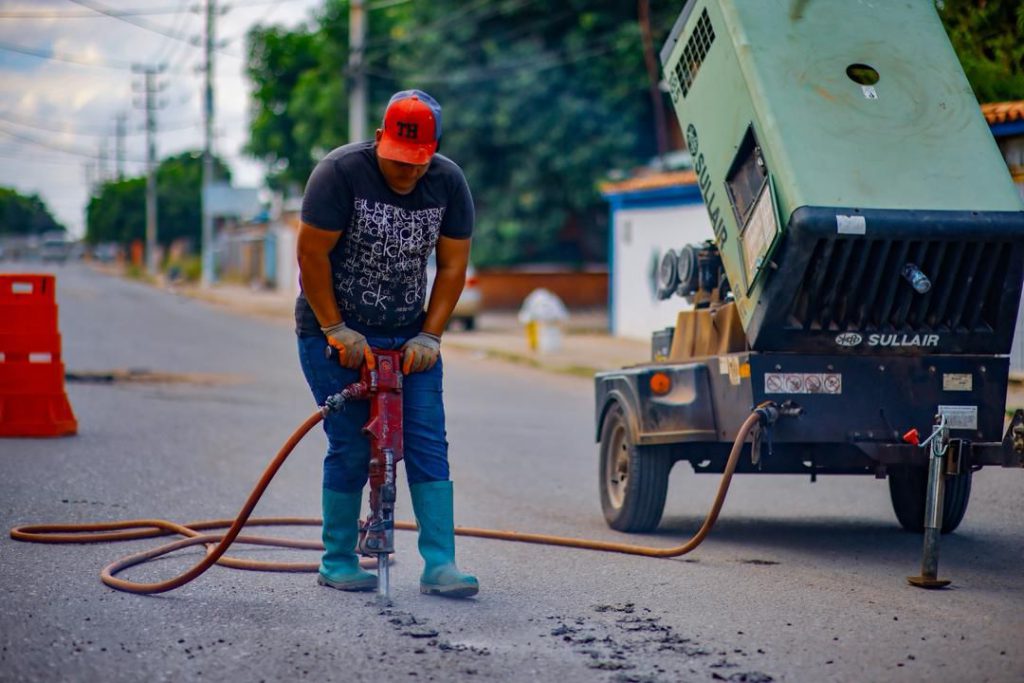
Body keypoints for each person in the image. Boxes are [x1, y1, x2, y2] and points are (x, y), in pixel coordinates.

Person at [295, 89, 478, 598]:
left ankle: (440, 564)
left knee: (426, 441)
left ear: (433, 151)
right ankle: (337, 559)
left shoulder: (448, 182)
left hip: (408, 333)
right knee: (352, 444)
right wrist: (336, 329)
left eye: (418, 162)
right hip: (331, 331)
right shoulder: (339, 173)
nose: (408, 172)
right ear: (380, 138)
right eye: (398, 159)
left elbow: (453, 266)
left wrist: (430, 334)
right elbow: (311, 256)